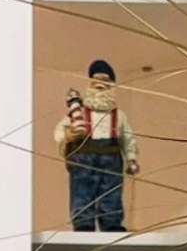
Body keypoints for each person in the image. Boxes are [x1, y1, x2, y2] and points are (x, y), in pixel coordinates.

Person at [56, 59, 136, 232]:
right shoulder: (78, 113)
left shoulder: (119, 116)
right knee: (82, 190)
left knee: (111, 191)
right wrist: (68, 135)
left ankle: (111, 223)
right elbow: (60, 131)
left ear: (111, 85)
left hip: (111, 158)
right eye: (96, 79)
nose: (100, 84)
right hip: (84, 158)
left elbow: (128, 138)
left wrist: (131, 159)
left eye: (105, 80)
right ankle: (83, 222)